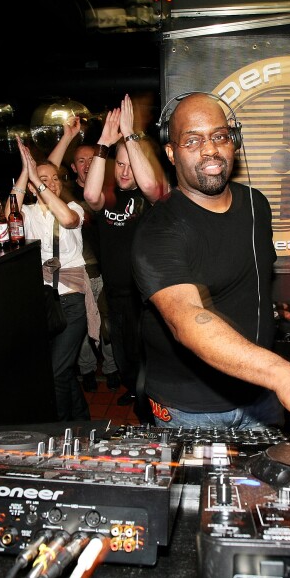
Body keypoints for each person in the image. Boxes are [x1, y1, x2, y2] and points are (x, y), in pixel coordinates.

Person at [131, 92, 290, 446]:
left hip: (259, 395)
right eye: (192, 140)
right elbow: (187, 318)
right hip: (191, 407)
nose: (209, 150)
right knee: (197, 499)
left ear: (233, 142)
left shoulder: (256, 204)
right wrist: (287, 378)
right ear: (171, 152)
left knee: (264, 497)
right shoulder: (158, 231)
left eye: (219, 136)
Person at [84, 95, 168, 417]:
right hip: (115, 292)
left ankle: (149, 406)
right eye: (119, 164)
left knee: (146, 355)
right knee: (123, 353)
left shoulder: (151, 196)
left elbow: (152, 186)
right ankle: (136, 392)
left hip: (144, 295)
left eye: (130, 164)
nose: (123, 171)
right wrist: (104, 144)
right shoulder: (108, 194)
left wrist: (132, 137)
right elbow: (90, 196)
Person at [7, 136, 99, 421]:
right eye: (43, 179)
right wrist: (26, 172)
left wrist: (41, 182)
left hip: (72, 299)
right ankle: (81, 421)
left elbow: (69, 222)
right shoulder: (28, 213)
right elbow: (6, 215)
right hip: (44, 301)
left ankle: (59, 428)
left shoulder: (74, 208)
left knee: (56, 370)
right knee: (64, 370)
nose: (52, 182)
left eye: (55, 178)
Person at [48, 117, 119, 394]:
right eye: (81, 160)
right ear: (73, 166)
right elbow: (45, 174)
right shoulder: (64, 193)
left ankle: (112, 369)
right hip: (77, 273)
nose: (87, 164)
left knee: (108, 326)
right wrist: (67, 137)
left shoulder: (112, 190)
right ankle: (88, 371)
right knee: (80, 333)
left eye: (93, 159)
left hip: (107, 271)